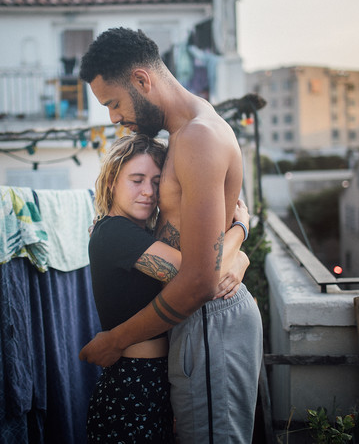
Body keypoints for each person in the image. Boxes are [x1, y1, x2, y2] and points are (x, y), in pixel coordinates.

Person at [78, 27, 263, 443]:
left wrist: (114, 340)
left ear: (143, 80)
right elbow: (212, 245)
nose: (113, 116)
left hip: (208, 319)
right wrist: (239, 236)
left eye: (114, 102)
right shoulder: (188, 134)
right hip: (198, 318)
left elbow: (200, 279)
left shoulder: (197, 137)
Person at [87, 133, 251, 443]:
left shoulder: (137, 234)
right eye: (136, 180)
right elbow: (200, 274)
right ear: (111, 182)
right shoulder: (115, 233)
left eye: (156, 182)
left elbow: (207, 266)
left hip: (152, 378)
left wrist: (241, 260)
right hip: (133, 384)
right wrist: (240, 230)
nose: (148, 192)